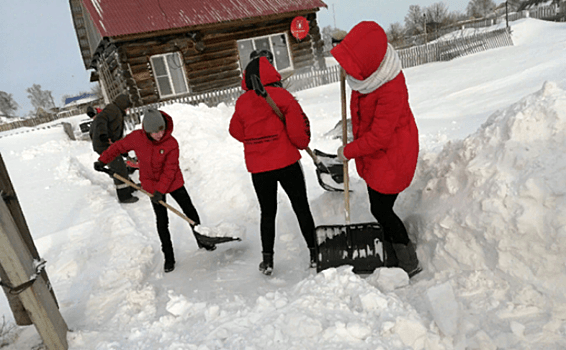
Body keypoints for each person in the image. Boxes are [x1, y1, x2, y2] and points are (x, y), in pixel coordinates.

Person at [331, 21, 422, 277]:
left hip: (392, 156)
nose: (350, 72)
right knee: (378, 206)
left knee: (382, 209)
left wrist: (347, 151)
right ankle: (390, 247)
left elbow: (380, 137)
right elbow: (361, 52)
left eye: (353, 66)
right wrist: (345, 53)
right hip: (376, 156)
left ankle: (408, 259)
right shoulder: (369, 75)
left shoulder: (390, 88)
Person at [94, 109, 215, 273]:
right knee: (162, 220)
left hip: (172, 182)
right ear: (146, 130)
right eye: (154, 131)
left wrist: (161, 191)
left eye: (161, 130)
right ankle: (169, 256)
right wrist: (102, 160)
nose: (159, 134)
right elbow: (117, 147)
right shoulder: (137, 138)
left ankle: (203, 240)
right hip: (151, 184)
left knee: (188, 210)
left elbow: (170, 170)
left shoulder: (171, 143)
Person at [229, 55, 316, 276]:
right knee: (301, 207)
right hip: (287, 162)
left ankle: (267, 261)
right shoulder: (283, 97)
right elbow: (299, 137)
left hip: (259, 169)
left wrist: (256, 140)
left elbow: (236, 131)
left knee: (267, 213)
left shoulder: (242, 103)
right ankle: (315, 253)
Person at [90, 93, 138, 203]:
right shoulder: (113, 110)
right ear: (123, 105)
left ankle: (130, 186)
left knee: (120, 164)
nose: (128, 110)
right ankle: (124, 196)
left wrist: (123, 151)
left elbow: (116, 135)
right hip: (103, 144)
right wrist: (103, 135)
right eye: (127, 107)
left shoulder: (117, 112)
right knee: (119, 167)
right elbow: (101, 119)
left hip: (107, 144)